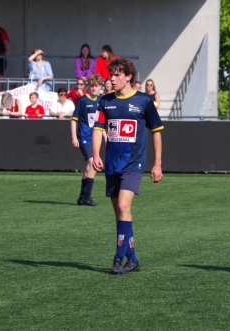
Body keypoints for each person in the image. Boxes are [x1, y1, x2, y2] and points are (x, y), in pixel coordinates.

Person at [92, 58, 164, 275]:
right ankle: (132, 260)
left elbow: (156, 131)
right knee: (120, 213)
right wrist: (95, 154)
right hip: (113, 163)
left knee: (124, 207)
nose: (112, 79)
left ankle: (117, 258)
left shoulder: (144, 101)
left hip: (134, 163)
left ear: (128, 76)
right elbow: (98, 128)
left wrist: (157, 163)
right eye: (110, 75)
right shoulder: (105, 101)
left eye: (116, 75)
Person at [71, 74, 105, 206]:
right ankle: (87, 196)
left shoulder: (101, 100)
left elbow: (102, 122)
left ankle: (81, 197)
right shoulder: (83, 101)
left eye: (96, 86)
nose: (94, 89)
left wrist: (105, 136)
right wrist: (74, 137)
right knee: (94, 164)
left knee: (89, 167)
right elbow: (74, 120)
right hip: (84, 136)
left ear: (100, 87)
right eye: (92, 86)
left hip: (95, 137)